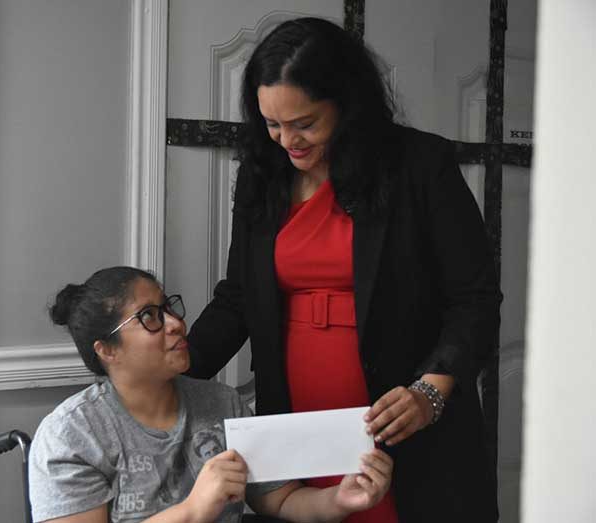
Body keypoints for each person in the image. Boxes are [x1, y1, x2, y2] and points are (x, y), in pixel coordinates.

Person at [186, 17, 502, 523]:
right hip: (297, 419)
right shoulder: (262, 173)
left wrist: (429, 393)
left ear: (348, 105)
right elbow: (239, 297)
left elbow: (475, 300)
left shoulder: (420, 166)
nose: (287, 141)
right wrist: (172, 373)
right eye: (272, 124)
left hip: (406, 419)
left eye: (305, 123)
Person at [29, 266, 393, 523]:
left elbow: (280, 499)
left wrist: (339, 499)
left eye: (168, 308)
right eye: (150, 317)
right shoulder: (72, 435)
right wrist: (193, 510)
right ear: (107, 350)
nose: (176, 323)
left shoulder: (222, 404)